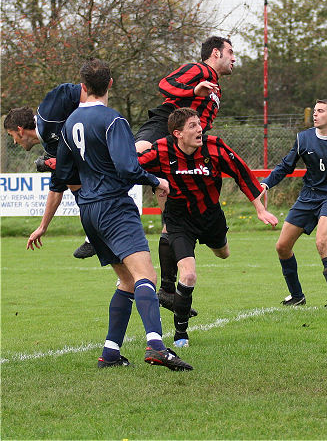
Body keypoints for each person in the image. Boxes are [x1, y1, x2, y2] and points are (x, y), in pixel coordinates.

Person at [52, 58, 191, 370]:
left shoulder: (69, 122)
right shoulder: (113, 120)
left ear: (83, 86)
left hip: (89, 211)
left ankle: (111, 353)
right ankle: (156, 345)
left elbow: (62, 175)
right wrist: (156, 180)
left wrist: (65, 211)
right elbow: (128, 168)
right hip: (115, 207)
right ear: (110, 85)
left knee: (127, 281)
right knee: (146, 276)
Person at [138, 108, 279, 347]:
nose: (199, 129)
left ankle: (208, 251)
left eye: (199, 124)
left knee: (223, 253)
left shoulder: (214, 147)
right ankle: (181, 333)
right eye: (192, 126)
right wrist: (156, 182)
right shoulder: (162, 149)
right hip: (179, 218)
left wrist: (259, 208)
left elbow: (241, 172)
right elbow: (131, 168)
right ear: (177, 133)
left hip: (210, 216)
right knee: (189, 274)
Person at [134, 36, 236, 315]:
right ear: (215, 53)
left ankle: (167, 290)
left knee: (170, 215)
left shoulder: (216, 87)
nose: (234, 58)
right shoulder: (201, 70)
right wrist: (195, 89)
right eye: (230, 52)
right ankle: (67, 168)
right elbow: (165, 85)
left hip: (182, 145)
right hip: (168, 124)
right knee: (131, 157)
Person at [261, 99, 327, 308]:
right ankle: (297, 296)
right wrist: (266, 184)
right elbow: (285, 166)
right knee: (282, 247)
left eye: (320, 111)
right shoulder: (303, 139)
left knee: (322, 242)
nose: (315, 114)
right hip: (308, 197)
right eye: (314, 111)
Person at [3, 85, 99, 259]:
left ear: (20, 130)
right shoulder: (50, 146)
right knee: (68, 177)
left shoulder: (47, 114)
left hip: (104, 143)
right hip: (95, 165)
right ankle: (94, 231)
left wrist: (95, 112)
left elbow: (70, 90)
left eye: (11, 136)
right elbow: (56, 190)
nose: (15, 142)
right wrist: (42, 227)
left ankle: (95, 231)